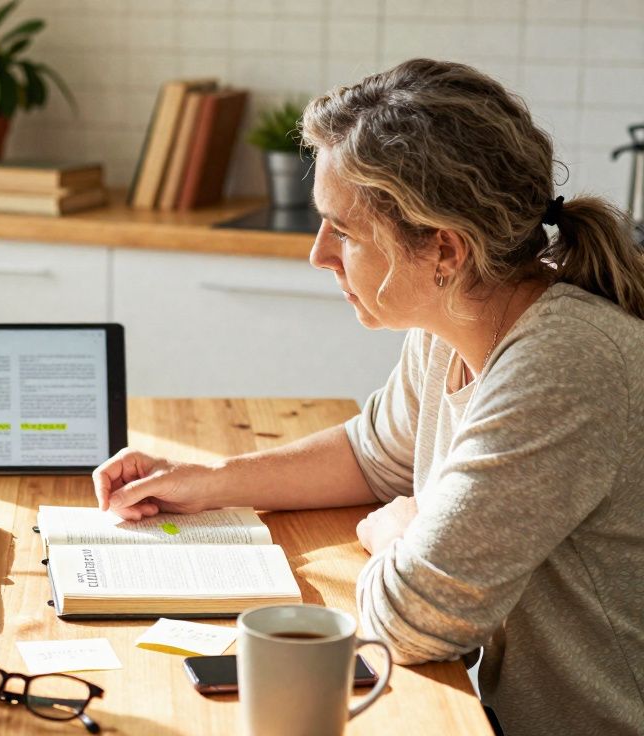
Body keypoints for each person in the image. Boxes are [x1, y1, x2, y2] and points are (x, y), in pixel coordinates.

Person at [93, 58, 644, 736]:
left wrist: (401, 528)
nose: (319, 254)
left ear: (444, 249)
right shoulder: (457, 319)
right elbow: (372, 454)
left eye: (345, 231)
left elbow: (413, 618)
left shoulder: (560, 365)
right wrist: (213, 482)